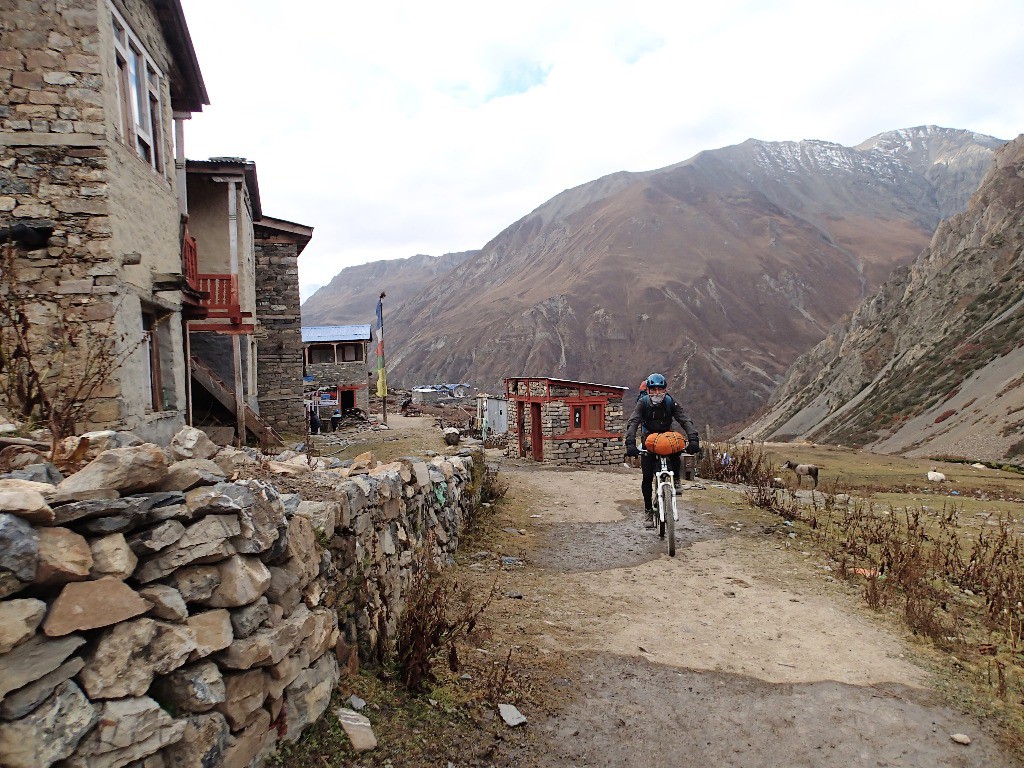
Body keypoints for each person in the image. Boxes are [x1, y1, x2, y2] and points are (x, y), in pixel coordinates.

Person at [624, 373, 700, 528]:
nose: (657, 393)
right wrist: (630, 442)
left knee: (676, 445)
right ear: (649, 390)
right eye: (654, 390)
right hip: (649, 440)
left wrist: (693, 438)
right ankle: (648, 511)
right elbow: (633, 422)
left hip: (666, 438)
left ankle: (676, 480)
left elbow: (684, 419)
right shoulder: (643, 403)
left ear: (665, 389)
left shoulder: (670, 401)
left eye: (660, 389)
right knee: (646, 477)